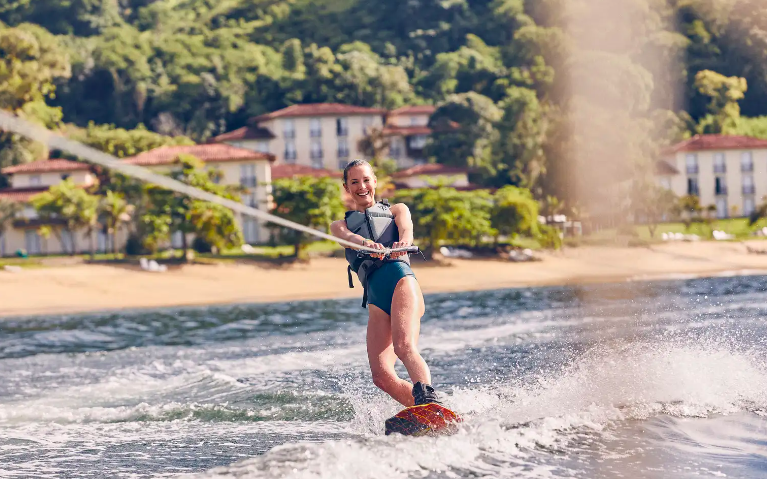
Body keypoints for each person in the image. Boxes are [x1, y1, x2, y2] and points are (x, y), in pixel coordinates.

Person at [330, 159, 440, 407]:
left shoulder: (397, 210)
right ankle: (422, 411)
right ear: (346, 187)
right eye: (354, 182)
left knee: (404, 347)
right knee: (381, 376)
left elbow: (407, 230)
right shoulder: (339, 226)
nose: (362, 186)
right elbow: (348, 238)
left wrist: (402, 243)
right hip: (376, 300)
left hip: (400, 280)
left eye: (366, 180)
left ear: (375, 182)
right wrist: (366, 243)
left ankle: (429, 404)